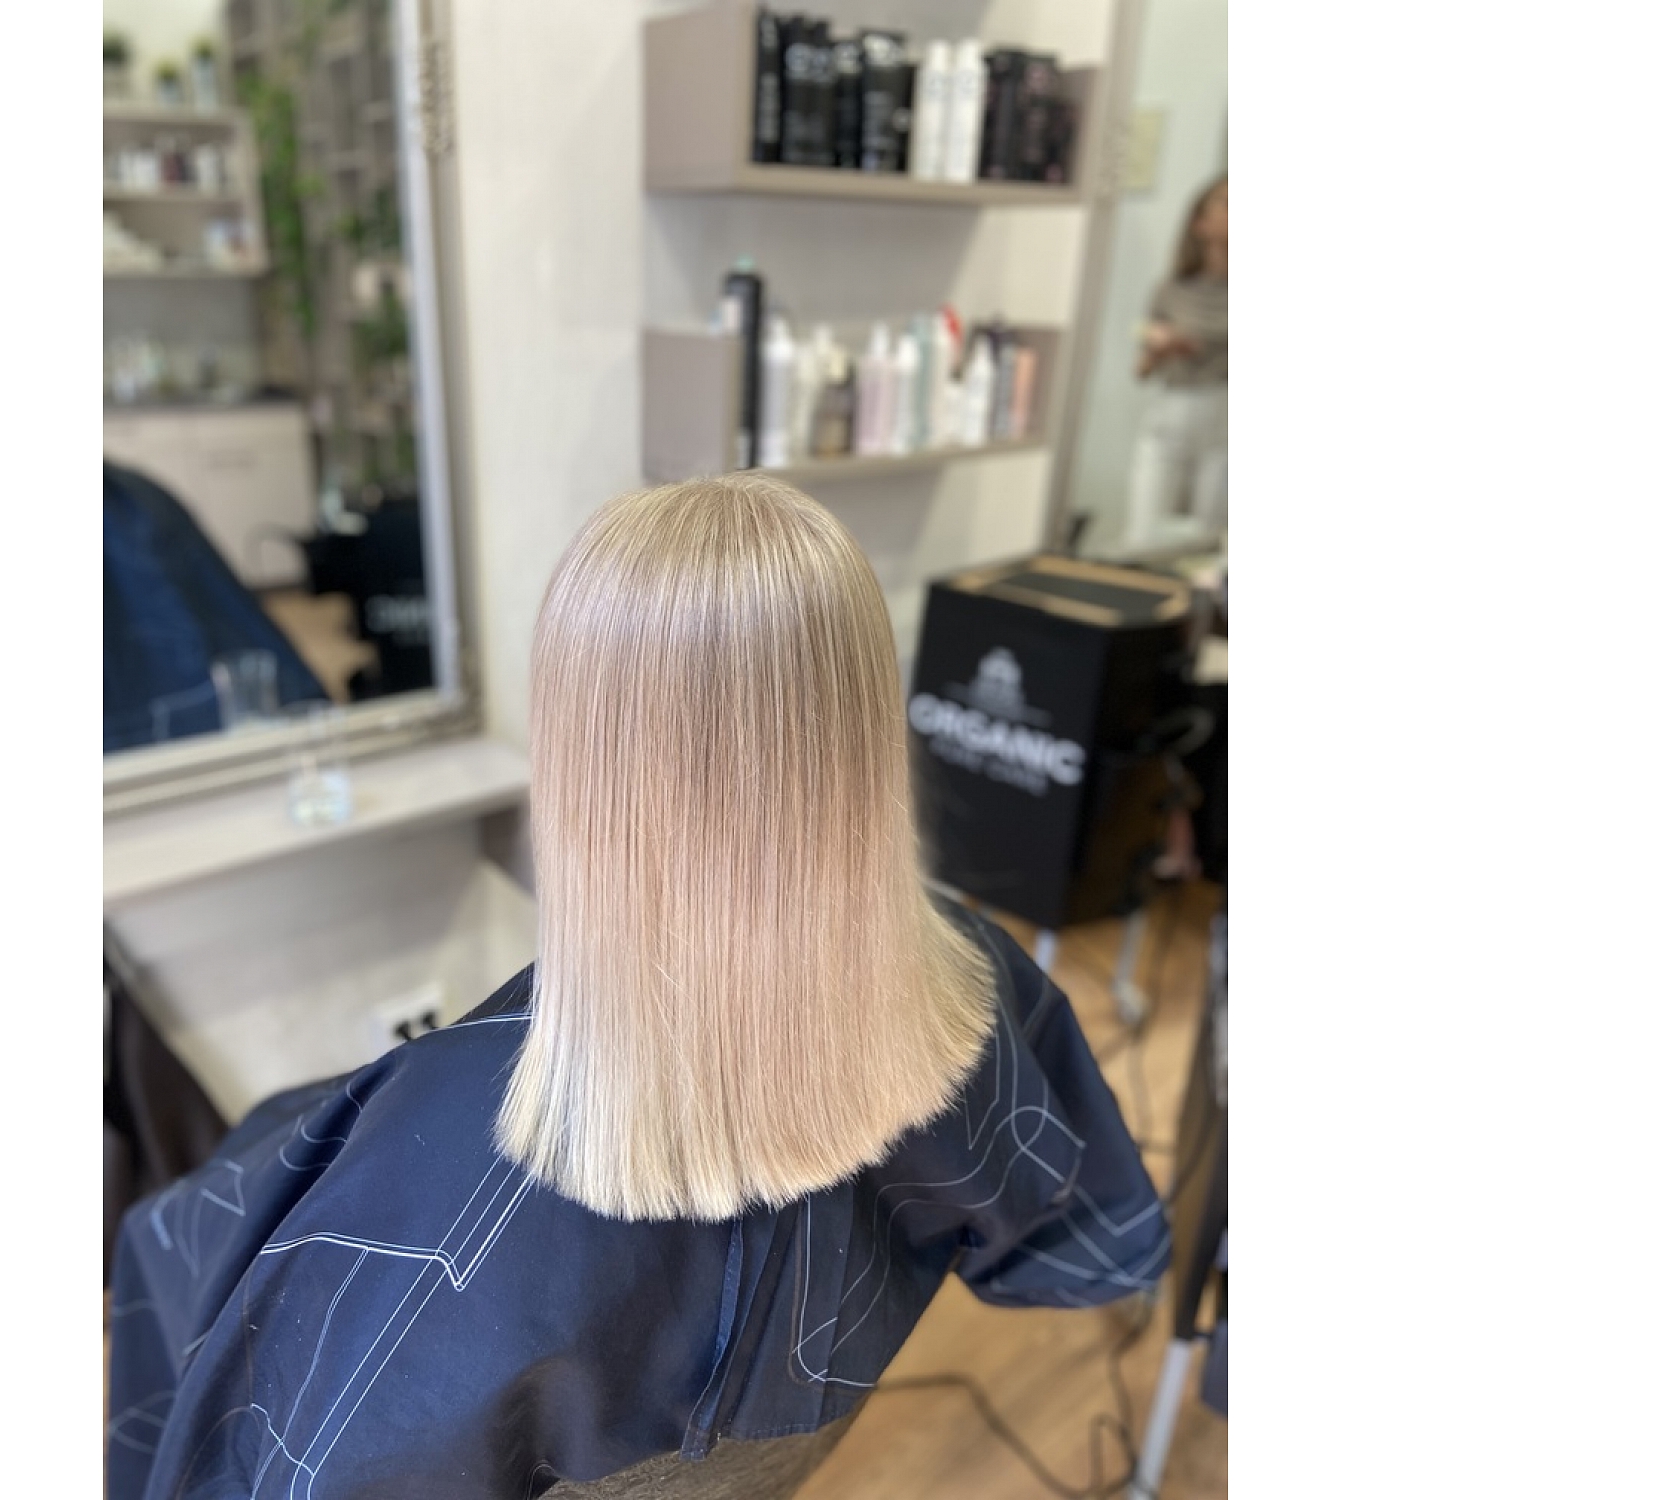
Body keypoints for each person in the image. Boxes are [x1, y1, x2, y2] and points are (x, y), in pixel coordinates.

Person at [106, 475, 1166, 1500]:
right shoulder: (979, 986)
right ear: (858, 727)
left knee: (165, 1228)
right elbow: (1080, 1239)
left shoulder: (460, 1216)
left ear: (584, 760)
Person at [1125, 174, 1227, 550]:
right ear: (1200, 222)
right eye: (1227, 204)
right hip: (1171, 409)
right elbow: (1141, 370)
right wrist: (1161, 347)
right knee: (1144, 534)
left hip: (1224, 418)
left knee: (1208, 541)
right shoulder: (1171, 289)